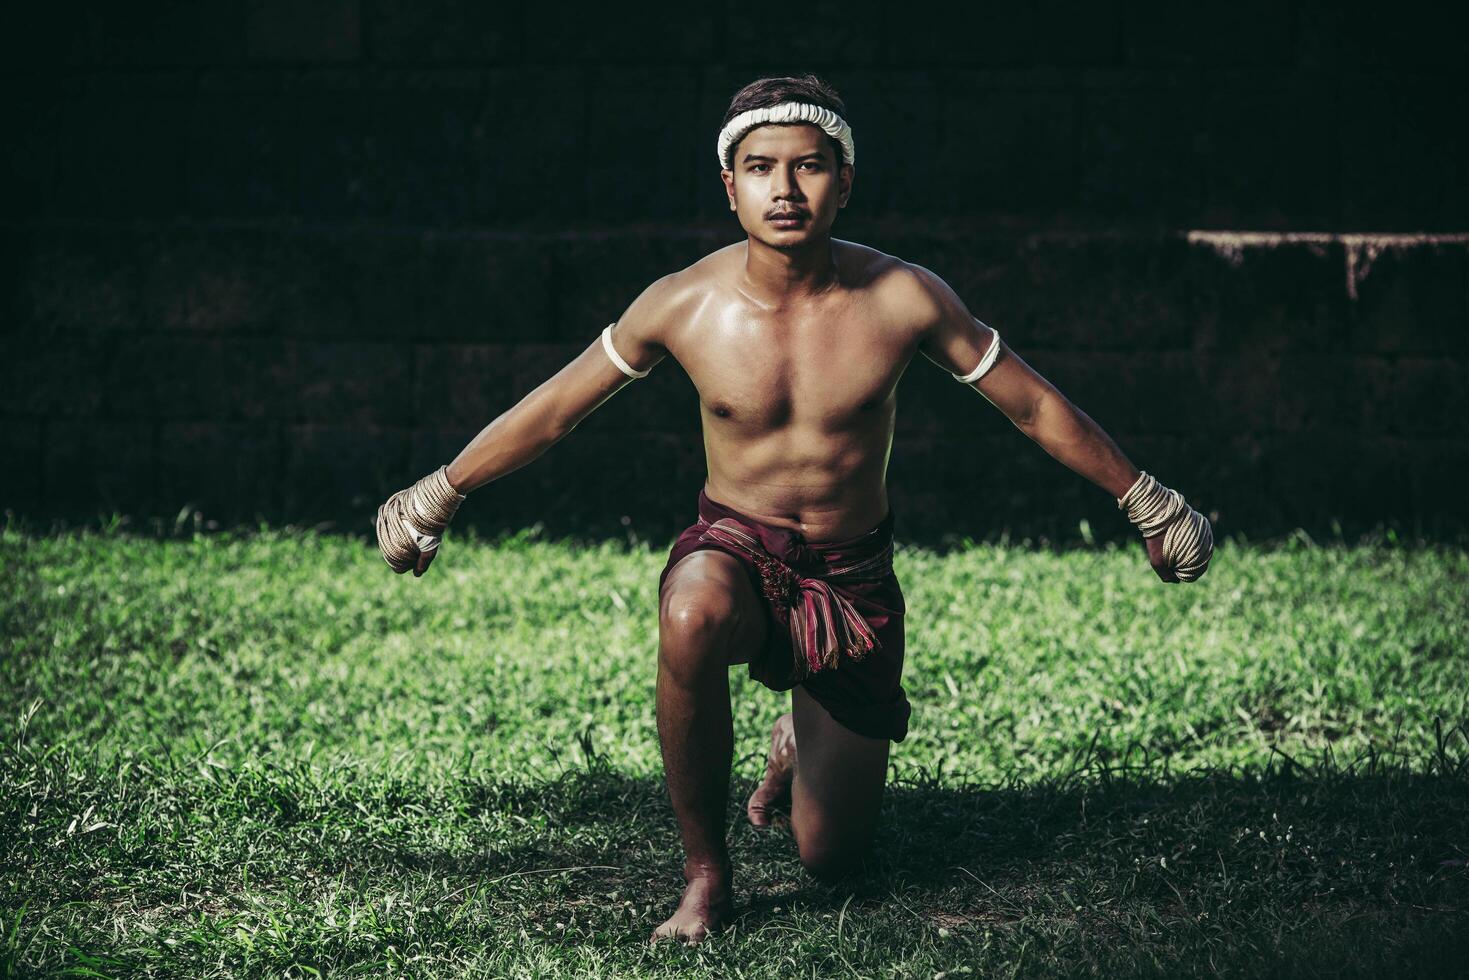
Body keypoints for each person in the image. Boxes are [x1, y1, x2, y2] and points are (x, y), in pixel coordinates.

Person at [375, 73, 1213, 946]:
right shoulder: (681, 304)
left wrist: (1146, 502)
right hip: (734, 548)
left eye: (809, 167)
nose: (785, 189)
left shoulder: (904, 298)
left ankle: (797, 743)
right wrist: (439, 492)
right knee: (692, 612)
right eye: (761, 168)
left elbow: (1033, 406)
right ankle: (706, 876)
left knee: (831, 859)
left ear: (843, 182)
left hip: (851, 577)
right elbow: (554, 410)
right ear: (729, 185)